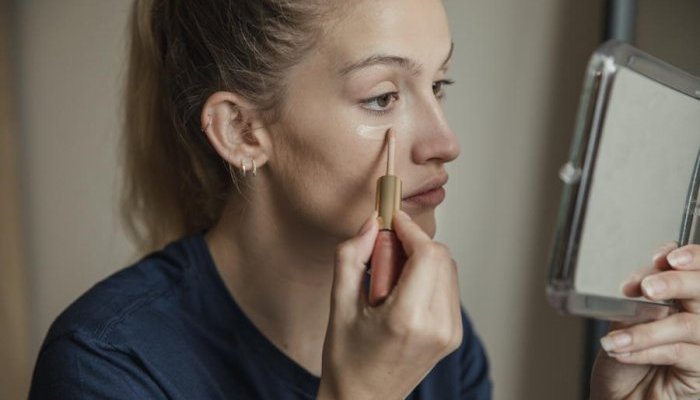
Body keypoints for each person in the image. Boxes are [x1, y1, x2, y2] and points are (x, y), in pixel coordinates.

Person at [28, 0, 700, 399]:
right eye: (382, 97)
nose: (445, 142)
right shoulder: (109, 363)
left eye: (439, 85)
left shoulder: (438, 338)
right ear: (242, 130)